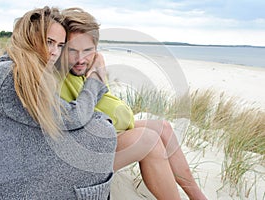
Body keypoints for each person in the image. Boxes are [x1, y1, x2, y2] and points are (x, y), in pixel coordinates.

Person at [0, 6, 117, 199]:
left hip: (13, 178)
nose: (55, 51)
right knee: (102, 133)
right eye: (49, 42)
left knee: (99, 132)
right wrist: (96, 78)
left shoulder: (17, 71)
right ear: (30, 37)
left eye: (60, 45)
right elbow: (71, 117)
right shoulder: (9, 75)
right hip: (6, 191)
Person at [60, 8, 208, 200]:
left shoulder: (81, 71)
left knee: (163, 127)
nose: (80, 59)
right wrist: (97, 73)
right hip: (82, 155)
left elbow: (108, 107)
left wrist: (97, 70)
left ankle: (198, 196)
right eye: (72, 50)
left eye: (88, 50)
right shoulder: (61, 75)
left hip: (103, 137)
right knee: (148, 140)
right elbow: (93, 118)